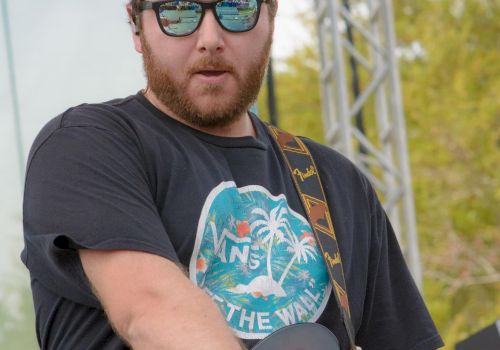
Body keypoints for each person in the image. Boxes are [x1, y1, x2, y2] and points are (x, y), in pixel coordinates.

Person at [21, 1, 444, 349]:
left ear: (271, 18)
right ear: (137, 27)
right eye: (179, 12)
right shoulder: (87, 144)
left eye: (236, 8)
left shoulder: (337, 181)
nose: (210, 40)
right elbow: (152, 311)